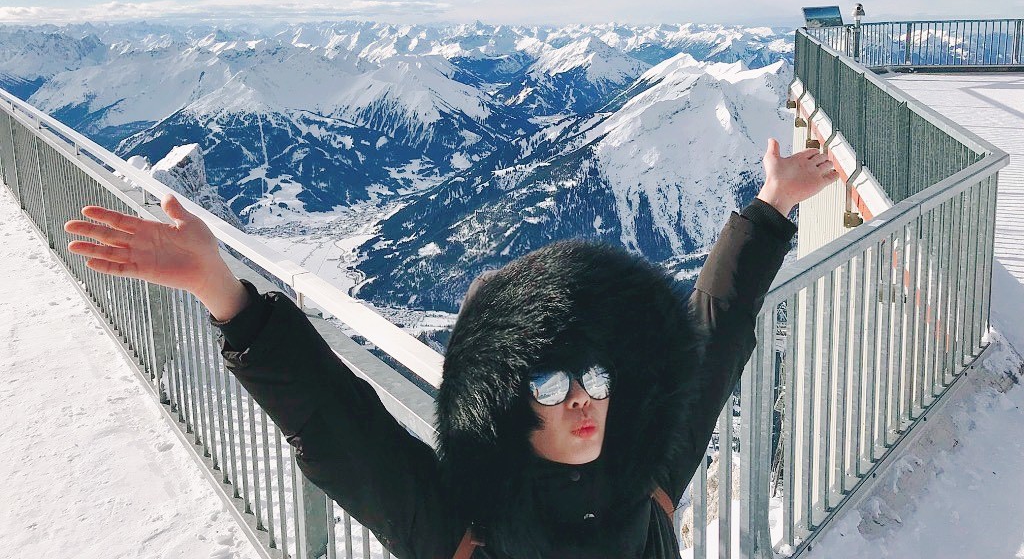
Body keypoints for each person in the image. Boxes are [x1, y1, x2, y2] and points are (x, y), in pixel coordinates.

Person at [64, 138, 839, 559]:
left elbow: (709, 338)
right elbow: (338, 426)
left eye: (597, 374)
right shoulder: (461, 528)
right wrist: (224, 296)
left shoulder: (644, 480)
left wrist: (771, 208)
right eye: (548, 381)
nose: (582, 396)